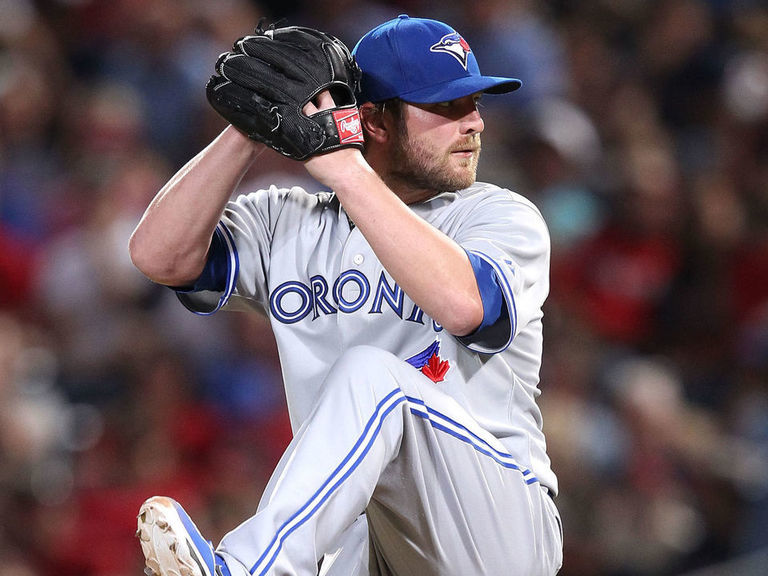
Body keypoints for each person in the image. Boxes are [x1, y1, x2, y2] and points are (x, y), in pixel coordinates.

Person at [131, 14, 562, 576]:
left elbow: (467, 306)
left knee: (374, 377)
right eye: (447, 106)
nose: (475, 122)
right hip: (364, 540)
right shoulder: (287, 221)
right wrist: (249, 126)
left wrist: (345, 167)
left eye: (474, 103)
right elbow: (159, 257)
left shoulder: (497, 215)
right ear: (375, 121)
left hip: (496, 526)